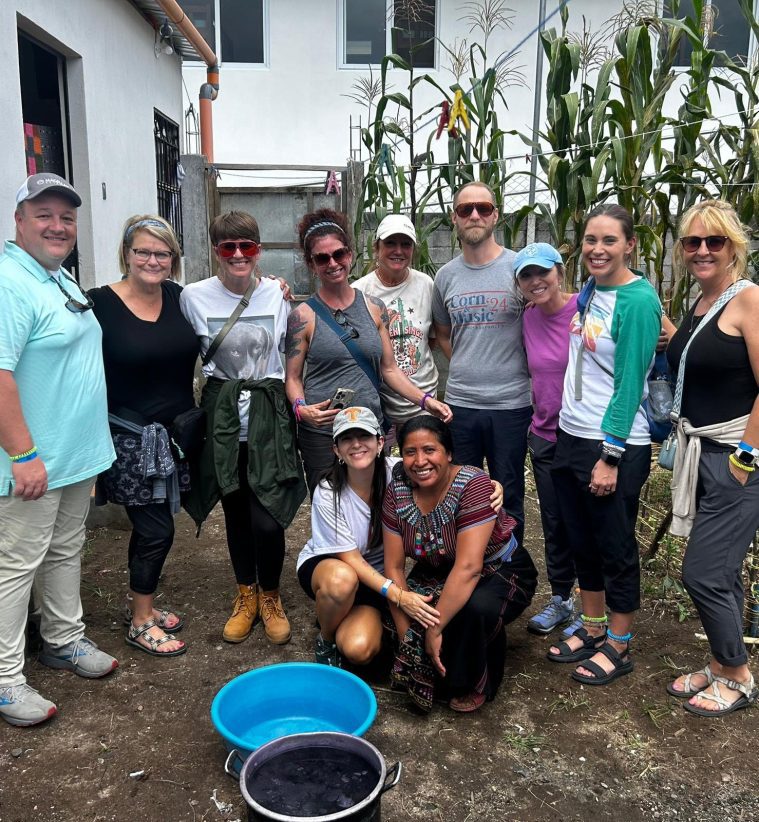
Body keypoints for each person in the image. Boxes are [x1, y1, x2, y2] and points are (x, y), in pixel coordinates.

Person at [0, 174, 118, 727]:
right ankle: (5, 678)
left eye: (66, 217)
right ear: (19, 219)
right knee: (17, 564)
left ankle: (63, 639)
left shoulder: (57, 277)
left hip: (73, 456)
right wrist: (23, 455)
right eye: (43, 214)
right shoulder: (9, 280)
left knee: (65, 548)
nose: (57, 225)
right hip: (32, 460)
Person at [546, 205, 661, 687]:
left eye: (609, 240)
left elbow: (631, 381)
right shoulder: (592, 290)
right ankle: (592, 628)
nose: (598, 249)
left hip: (614, 441)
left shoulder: (637, 301)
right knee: (580, 539)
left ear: (630, 245)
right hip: (572, 432)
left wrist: (610, 455)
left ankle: (619, 643)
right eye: (591, 239)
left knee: (614, 544)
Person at [181, 211, 306, 646]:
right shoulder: (193, 297)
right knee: (235, 510)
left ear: (259, 250)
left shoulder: (276, 294)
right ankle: (246, 594)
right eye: (227, 247)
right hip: (224, 417)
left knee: (268, 517)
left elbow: (291, 353)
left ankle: (271, 596)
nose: (237, 254)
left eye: (246, 246)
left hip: (269, 417)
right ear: (216, 251)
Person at [665, 200, 759, 716]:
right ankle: (723, 663)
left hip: (735, 458)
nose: (702, 250)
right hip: (704, 454)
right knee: (723, 569)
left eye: (714, 241)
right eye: (692, 242)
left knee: (702, 572)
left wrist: (746, 457)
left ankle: (739, 677)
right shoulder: (702, 303)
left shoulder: (749, 301)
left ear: (733, 248)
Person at [89, 215, 198, 658]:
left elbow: (225, 299)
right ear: (126, 255)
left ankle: (146, 607)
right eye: (143, 252)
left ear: (173, 259)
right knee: (156, 531)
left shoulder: (177, 296)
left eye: (162, 253)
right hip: (129, 438)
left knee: (154, 529)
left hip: (173, 437)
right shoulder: (98, 303)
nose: (153, 260)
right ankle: (139, 622)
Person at [285, 208, 452, 494]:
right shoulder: (303, 316)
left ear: (349, 255)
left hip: (368, 427)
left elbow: (389, 369)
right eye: (322, 258)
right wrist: (302, 410)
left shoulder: (374, 307)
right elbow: (293, 378)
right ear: (312, 264)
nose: (332, 263)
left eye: (338, 254)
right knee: (328, 502)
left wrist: (426, 401)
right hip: (324, 431)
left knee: (373, 504)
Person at [382, 416, 537, 713]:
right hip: (437, 569)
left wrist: (433, 630)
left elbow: (469, 568)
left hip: (500, 568)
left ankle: (480, 675)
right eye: (410, 452)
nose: (420, 461)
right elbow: (394, 568)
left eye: (430, 450)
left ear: (449, 453)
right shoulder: (397, 489)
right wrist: (408, 637)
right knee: (398, 616)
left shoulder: (474, 484)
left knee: (472, 611)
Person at [296, 407, 441, 668]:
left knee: (359, 649)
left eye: (363, 436)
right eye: (346, 439)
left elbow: (447, 472)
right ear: (336, 450)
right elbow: (350, 559)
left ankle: (347, 616)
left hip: (376, 577)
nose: (356, 444)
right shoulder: (328, 492)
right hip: (330, 569)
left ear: (380, 442)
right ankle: (326, 638)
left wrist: (490, 485)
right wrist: (399, 595)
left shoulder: (398, 470)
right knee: (342, 580)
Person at [432, 182, 532, 546]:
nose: (474, 215)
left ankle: (511, 571)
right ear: (453, 218)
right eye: (465, 209)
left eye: (483, 208)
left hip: (512, 404)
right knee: (461, 492)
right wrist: (470, 364)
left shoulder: (520, 267)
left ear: (496, 215)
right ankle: (468, 568)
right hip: (461, 405)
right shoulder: (445, 277)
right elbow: (443, 333)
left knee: (509, 493)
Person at [513, 243, 581, 638]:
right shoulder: (528, 318)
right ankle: (561, 598)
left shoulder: (587, 309)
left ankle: (594, 607)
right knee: (554, 522)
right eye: (526, 275)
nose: (536, 281)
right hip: (544, 434)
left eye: (543, 272)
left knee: (585, 523)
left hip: (583, 436)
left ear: (559, 270)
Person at [353, 214, 438, 447]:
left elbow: (431, 341)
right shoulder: (359, 292)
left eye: (405, 244)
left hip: (424, 401)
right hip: (379, 403)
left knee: (421, 468)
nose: (398, 250)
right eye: (390, 243)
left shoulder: (427, 285)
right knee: (379, 471)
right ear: (376, 247)